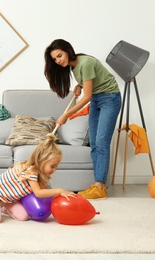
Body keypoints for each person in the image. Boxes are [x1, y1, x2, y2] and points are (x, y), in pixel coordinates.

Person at [44, 39, 121, 199]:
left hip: (109, 99)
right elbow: (89, 87)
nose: (58, 61)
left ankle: (100, 186)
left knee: (101, 142)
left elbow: (87, 97)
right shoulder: (73, 67)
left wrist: (66, 115)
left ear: (67, 50)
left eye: (59, 55)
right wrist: (79, 86)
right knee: (93, 143)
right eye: (55, 59)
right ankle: (97, 184)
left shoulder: (85, 63)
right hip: (97, 100)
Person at [0, 134, 76, 223]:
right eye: (52, 166)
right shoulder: (31, 171)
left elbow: (45, 190)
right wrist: (59, 190)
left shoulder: (39, 173)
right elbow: (38, 193)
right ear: (41, 161)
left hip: (9, 199)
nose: (55, 169)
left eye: (56, 166)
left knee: (23, 217)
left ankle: (0, 207)